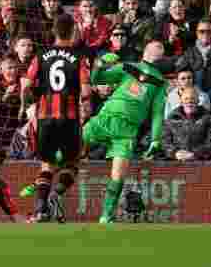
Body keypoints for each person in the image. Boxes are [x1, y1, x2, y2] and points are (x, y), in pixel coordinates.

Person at [82, 40, 167, 224]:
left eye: (160, 49)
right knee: (70, 148)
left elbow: (158, 113)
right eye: (154, 47)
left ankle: (106, 216)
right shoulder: (128, 67)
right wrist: (99, 64)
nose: (156, 51)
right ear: (145, 51)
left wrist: (155, 139)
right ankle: (44, 183)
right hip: (105, 119)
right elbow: (97, 79)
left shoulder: (160, 82)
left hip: (127, 131)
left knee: (118, 175)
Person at [21, 13, 90, 223]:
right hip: (69, 118)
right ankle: (56, 194)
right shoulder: (79, 57)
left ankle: (41, 210)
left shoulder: (40, 55)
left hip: (44, 117)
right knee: (74, 163)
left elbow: (25, 84)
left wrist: (27, 108)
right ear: (73, 31)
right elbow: (85, 92)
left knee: (47, 165)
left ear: (54, 31)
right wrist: (85, 107)